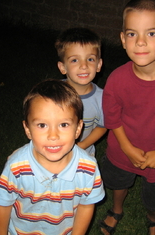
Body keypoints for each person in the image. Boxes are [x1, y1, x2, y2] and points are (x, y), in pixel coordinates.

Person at [100, 0, 155, 234]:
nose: (140, 42)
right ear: (123, 38)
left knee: (154, 195)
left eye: (151, 33)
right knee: (118, 184)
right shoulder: (117, 79)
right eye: (132, 33)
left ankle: (153, 218)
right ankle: (117, 209)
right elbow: (113, 117)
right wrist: (127, 148)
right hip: (122, 150)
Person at [0, 79, 105, 235]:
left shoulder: (88, 168)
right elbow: (3, 204)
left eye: (63, 125)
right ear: (27, 129)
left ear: (78, 129)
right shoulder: (16, 166)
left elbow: (86, 206)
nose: (53, 136)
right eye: (42, 125)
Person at [55, 28, 107, 156]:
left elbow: (102, 126)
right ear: (63, 67)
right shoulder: (54, 93)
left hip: (84, 155)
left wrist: (81, 146)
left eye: (90, 59)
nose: (84, 66)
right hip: (54, 150)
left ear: (99, 65)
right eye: (74, 60)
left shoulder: (103, 98)